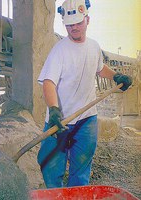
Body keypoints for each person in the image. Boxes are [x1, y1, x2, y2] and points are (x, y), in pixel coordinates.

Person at [37, 0, 132, 188]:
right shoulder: (59, 50)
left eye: (78, 23)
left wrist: (116, 75)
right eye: (69, 24)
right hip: (60, 121)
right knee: (52, 168)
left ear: (87, 20)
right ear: (64, 23)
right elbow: (49, 82)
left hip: (87, 119)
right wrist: (54, 110)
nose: (74, 28)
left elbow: (98, 67)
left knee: (81, 170)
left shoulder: (94, 46)